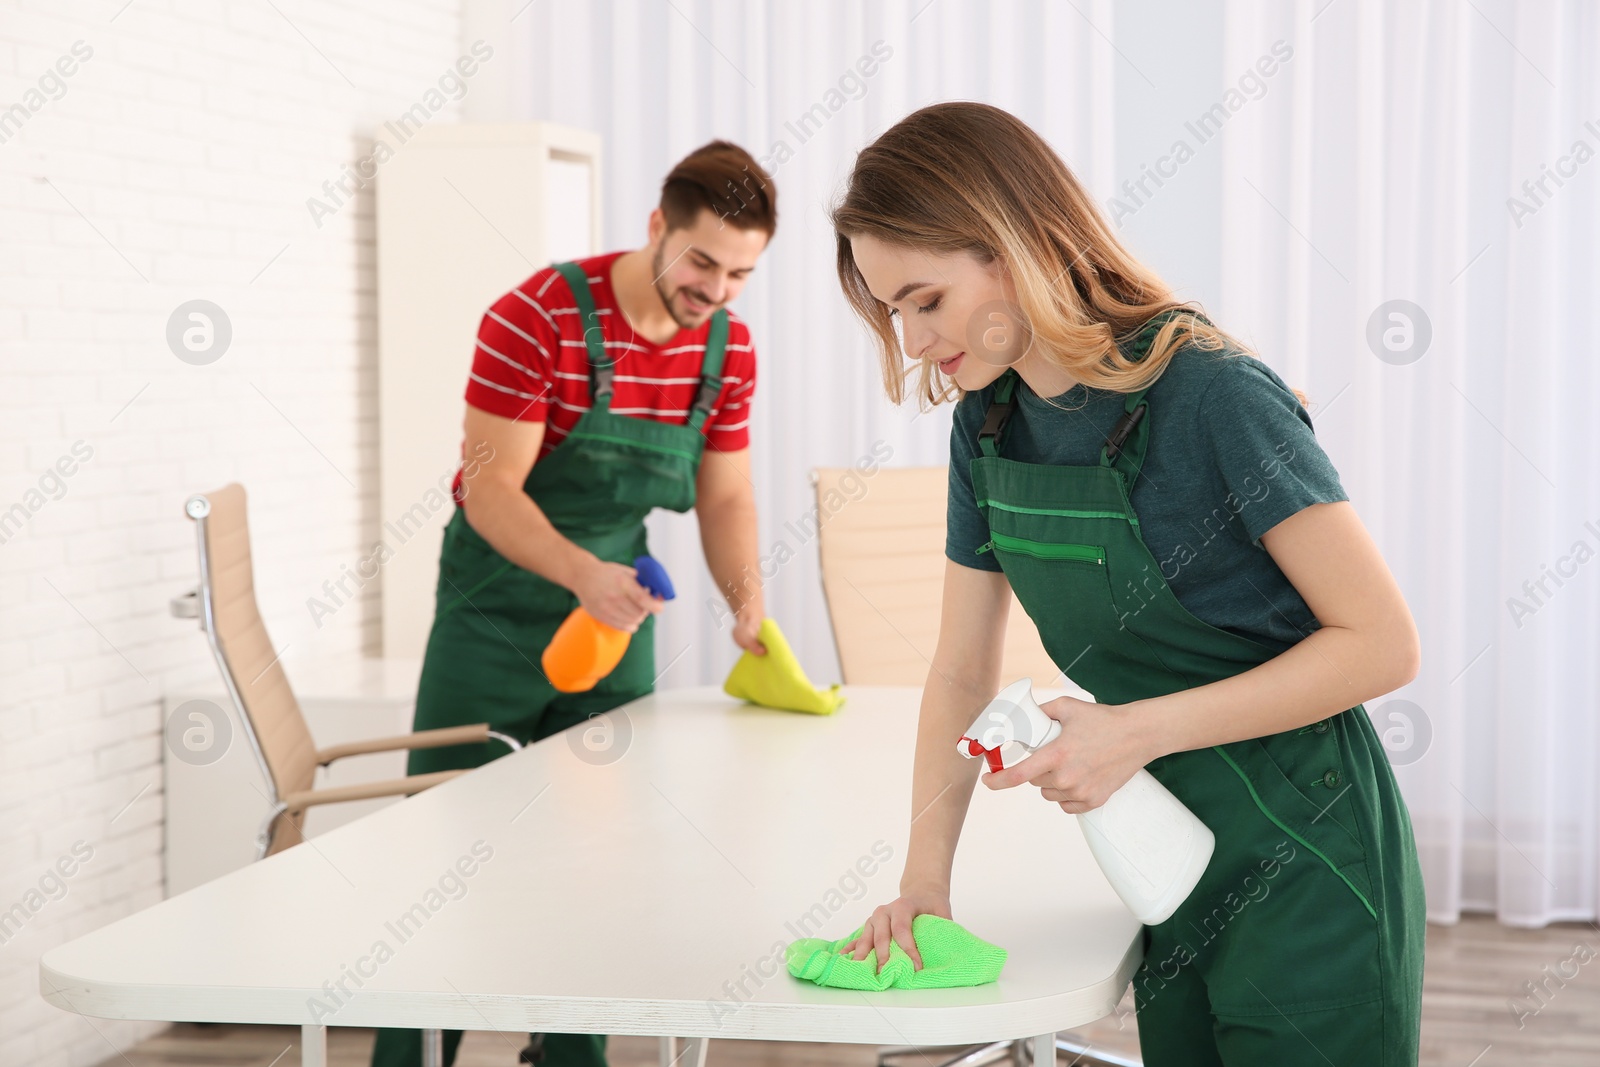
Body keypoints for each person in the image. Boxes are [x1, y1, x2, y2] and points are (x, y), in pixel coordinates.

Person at [830, 102, 1426, 1066]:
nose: (909, 340)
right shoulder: (989, 421)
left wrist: (1131, 732)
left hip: (1311, 853)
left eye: (924, 299)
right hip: (1161, 849)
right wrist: (925, 885)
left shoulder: (1213, 393)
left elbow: (1383, 642)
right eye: (891, 310)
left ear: (1011, 244)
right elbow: (957, 670)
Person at [370, 140, 776, 1067]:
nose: (715, 290)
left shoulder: (727, 348)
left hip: (611, 617)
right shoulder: (538, 316)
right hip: (493, 609)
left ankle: (567, 1053)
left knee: (596, 851)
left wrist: (745, 601)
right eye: (702, 261)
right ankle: (406, 1055)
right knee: (446, 844)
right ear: (655, 230)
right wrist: (581, 571)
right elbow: (491, 488)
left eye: (741, 274)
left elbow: (726, 496)